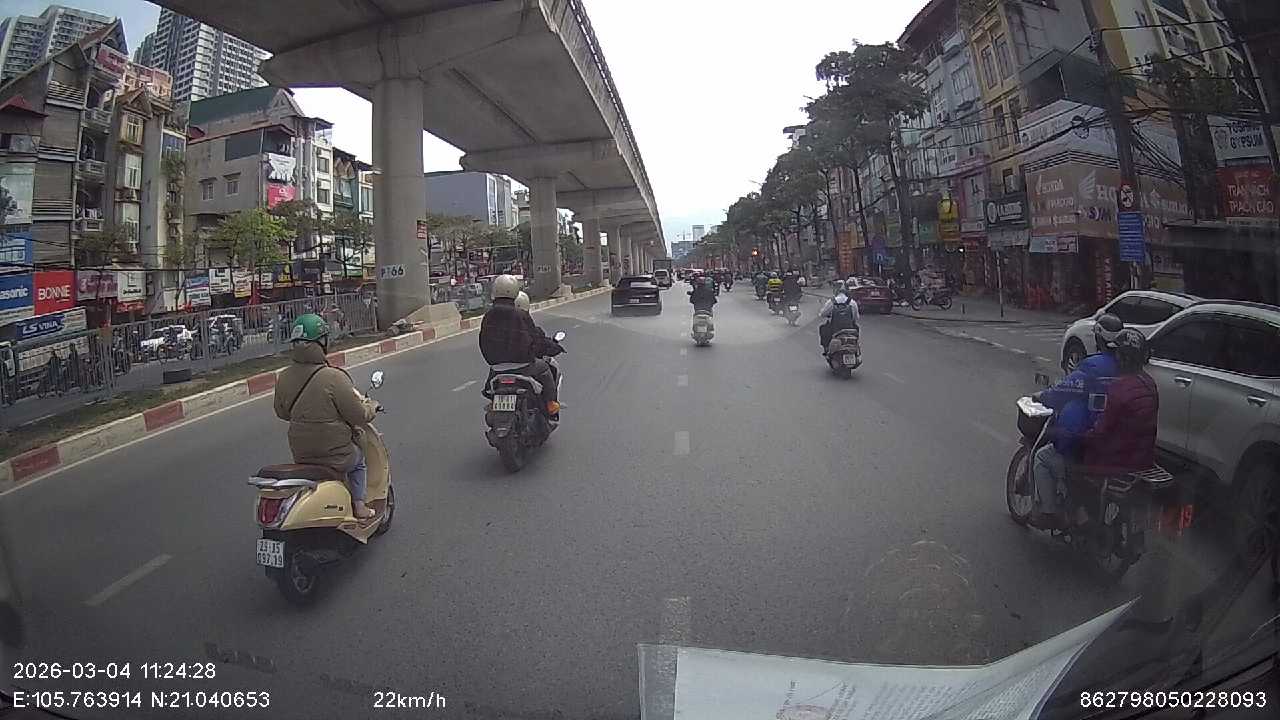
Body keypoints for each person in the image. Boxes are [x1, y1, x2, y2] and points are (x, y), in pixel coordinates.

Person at [274, 314, 380, 519]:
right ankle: (359, 506)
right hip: (336, 454)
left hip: (302, 453)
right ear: (321, 342)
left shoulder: (283, 377)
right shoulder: (334, 377)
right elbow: (358, 415)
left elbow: (282, 412)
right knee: (359, 461)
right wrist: (372, 407)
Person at [1031, 312, 1124, 528]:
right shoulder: (1126, 368)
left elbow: (1064, 390)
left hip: (1090, 442)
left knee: (1042, 459)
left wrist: (1043, 396)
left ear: (1098, 338)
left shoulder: (1093, 367)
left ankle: (1049, 513)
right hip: (1119, 443)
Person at [479, 275, 559, 418]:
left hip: (496, 367)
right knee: (545, 369)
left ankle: (494, 404)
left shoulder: (488, 316)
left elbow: (483, 340)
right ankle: (551, 404)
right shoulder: (520, 315)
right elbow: (535, 339)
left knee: (489, 388)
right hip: (523, 366)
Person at [1081, 329, 1159, 475]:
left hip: (1117, 462)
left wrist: (1080, 435)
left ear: (1124, 358)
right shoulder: (1150, 383)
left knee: (1050, 457)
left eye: (1117, 353)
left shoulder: (1119, 388)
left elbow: (1101, 431)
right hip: (1143, 458)